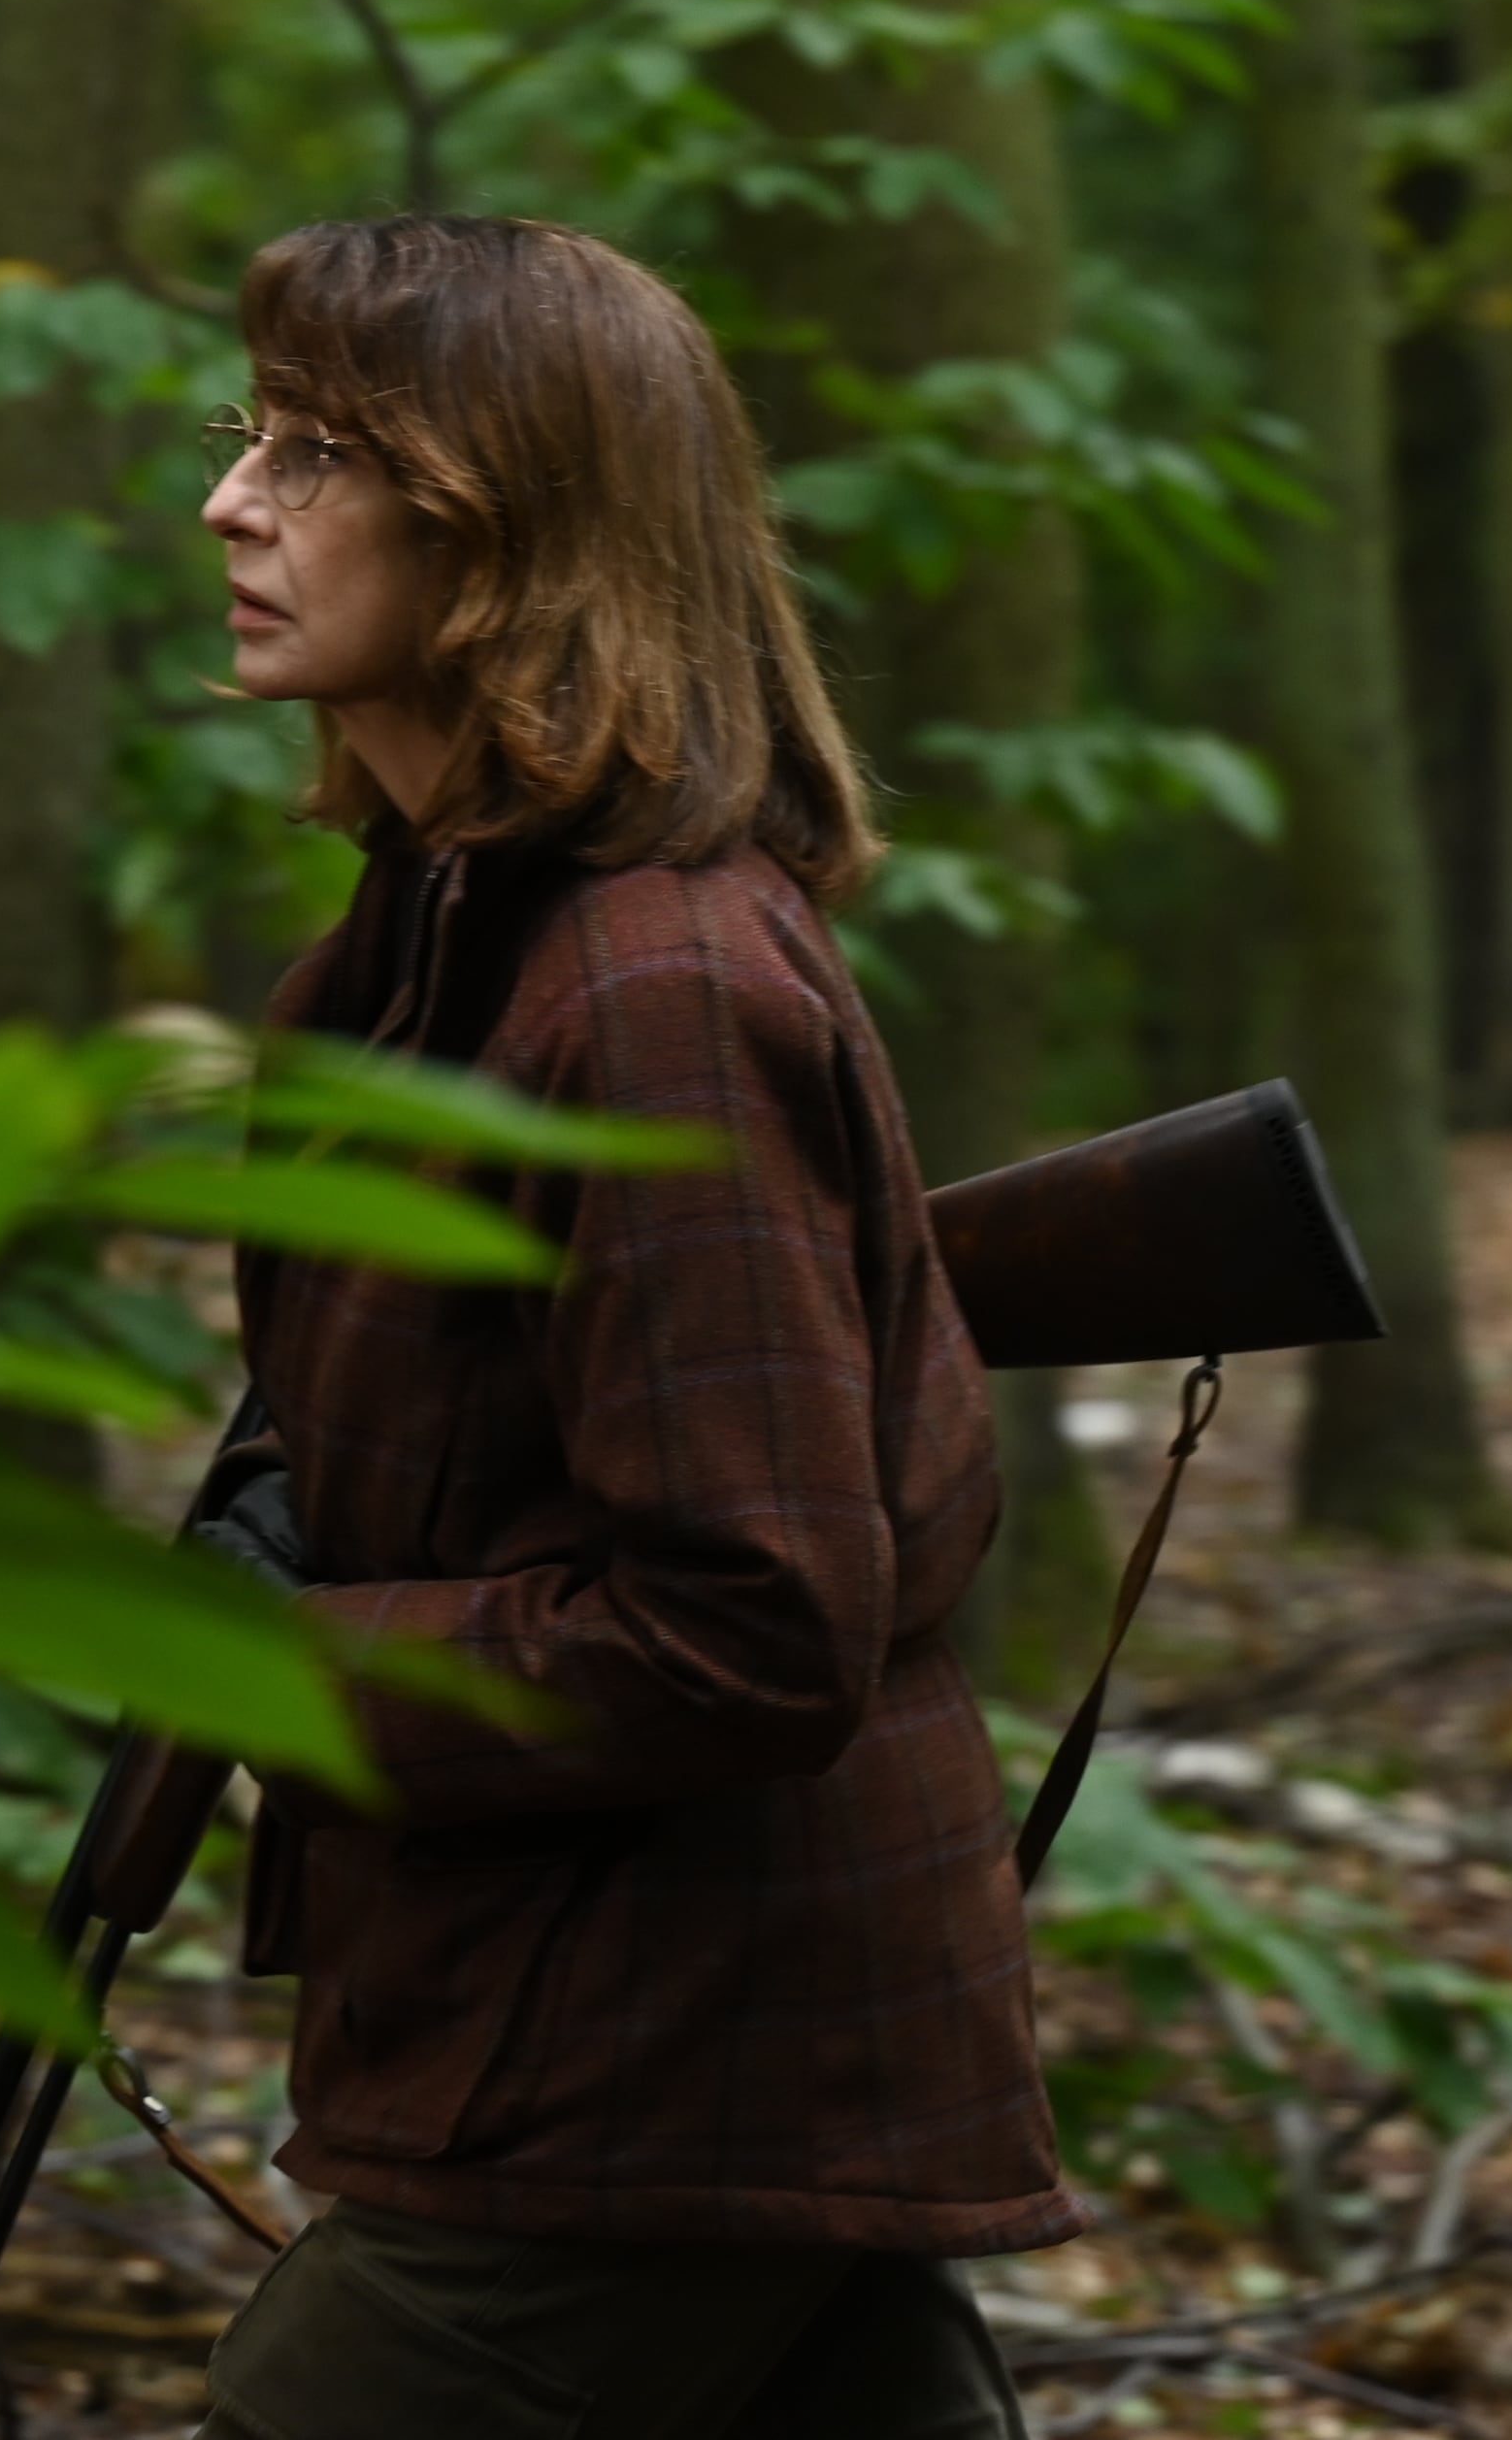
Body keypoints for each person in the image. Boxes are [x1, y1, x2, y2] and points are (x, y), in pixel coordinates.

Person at [181, 216, 1074, 2439]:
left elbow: (748, 1622)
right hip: (620, 2020)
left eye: (314, 454)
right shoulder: (413, 948)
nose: (227, 501)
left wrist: (291, 1662)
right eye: (248, 436)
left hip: (659, 2061)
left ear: (507, 529)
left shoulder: (652, 988)